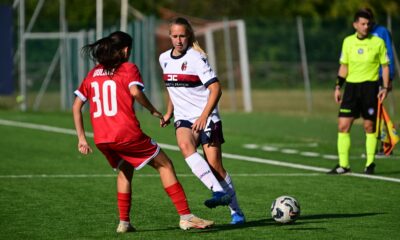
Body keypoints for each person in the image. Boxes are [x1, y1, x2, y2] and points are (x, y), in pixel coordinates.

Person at [72, 31, 214, 233]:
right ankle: (186, 217)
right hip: (126, 135)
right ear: (126, 50)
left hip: (102, 139)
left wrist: (81, 138)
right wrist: (153, 110)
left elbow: (77, 106)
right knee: (165, 165)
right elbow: (135, 92)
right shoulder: (128, 68)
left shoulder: (93, 73)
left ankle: (124, 223)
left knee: (124, 170)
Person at [158, 17, 245, 225]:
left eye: (183, 36)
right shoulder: (164, 58)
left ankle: (237, 211)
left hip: (206, 117)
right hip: (184, 118)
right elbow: (172, 87)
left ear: (189, 36)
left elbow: (216, 88)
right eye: (175, 36)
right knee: (184, 144)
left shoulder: (196, 58)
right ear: (169, 36)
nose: (179, 40)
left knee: (216, 167)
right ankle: (217, 191)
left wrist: (204, 115)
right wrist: (169, 112)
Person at [328, 10, 389, 175]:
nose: (366, 26)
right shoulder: (347, 42)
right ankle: (343, 165)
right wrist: (338, 86)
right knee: (343, 125)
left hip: (370, 89)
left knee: (369, 126)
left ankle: (370, 164)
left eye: (368, 24)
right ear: (355, 24)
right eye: (362, 23)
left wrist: (384, 87)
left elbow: (384, 67)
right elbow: (344, 66)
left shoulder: (378, 42)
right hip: (351, 89)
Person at [361, 8, 396, 157]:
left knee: (377, 111)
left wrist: (388, 79)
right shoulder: (362, 34)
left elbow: (389, 55)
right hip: (365, 78)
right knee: (370, 112)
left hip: (380, 77)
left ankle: (385, 144)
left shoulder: (381, 32)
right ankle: (379, 144)